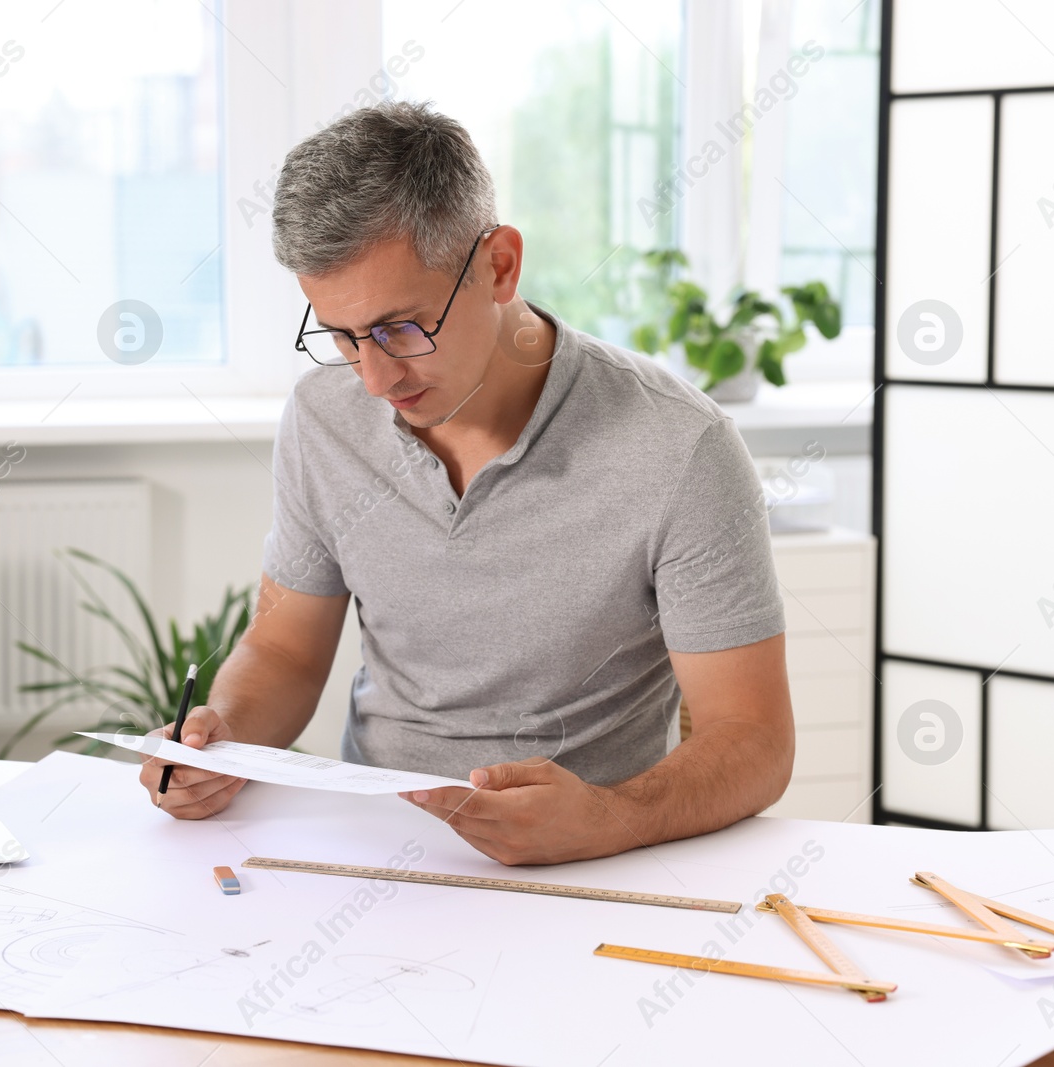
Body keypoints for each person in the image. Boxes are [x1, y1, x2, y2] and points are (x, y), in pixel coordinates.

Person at [138, 101, 793, 865]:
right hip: (376, 848)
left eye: (399, 327)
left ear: (500, 265)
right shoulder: (323, 416)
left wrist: (609, 818)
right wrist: (222, 739)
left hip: (600, 859)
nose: (375, 376)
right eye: (343, 337)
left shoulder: (679, 445)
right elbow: (284, 649)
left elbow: (754, 740)